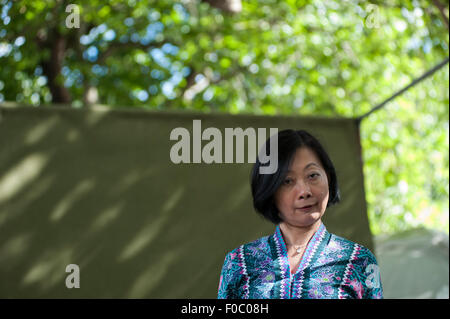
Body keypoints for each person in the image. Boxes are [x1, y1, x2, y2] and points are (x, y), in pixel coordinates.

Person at [217, 129, 383, 299]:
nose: (304, 191)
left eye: (312, 175)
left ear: (329, 178)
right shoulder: (239, 262)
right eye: (287, 181)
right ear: (269, 189)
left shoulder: (359, 261)